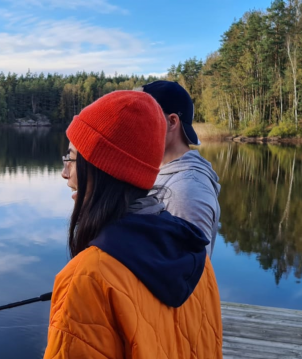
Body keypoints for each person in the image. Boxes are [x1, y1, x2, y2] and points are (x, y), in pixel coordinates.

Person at [46, 91, 222, 359]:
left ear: (101, 170)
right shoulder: (197, 257)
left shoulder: (87, 279)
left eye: (71, 158)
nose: (64, 172)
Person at [141, 81, 221, 257]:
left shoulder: (187, 190)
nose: (134, 126)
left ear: (171, 122)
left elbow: (189, 278)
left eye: (141, 116)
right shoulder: (161, 175)